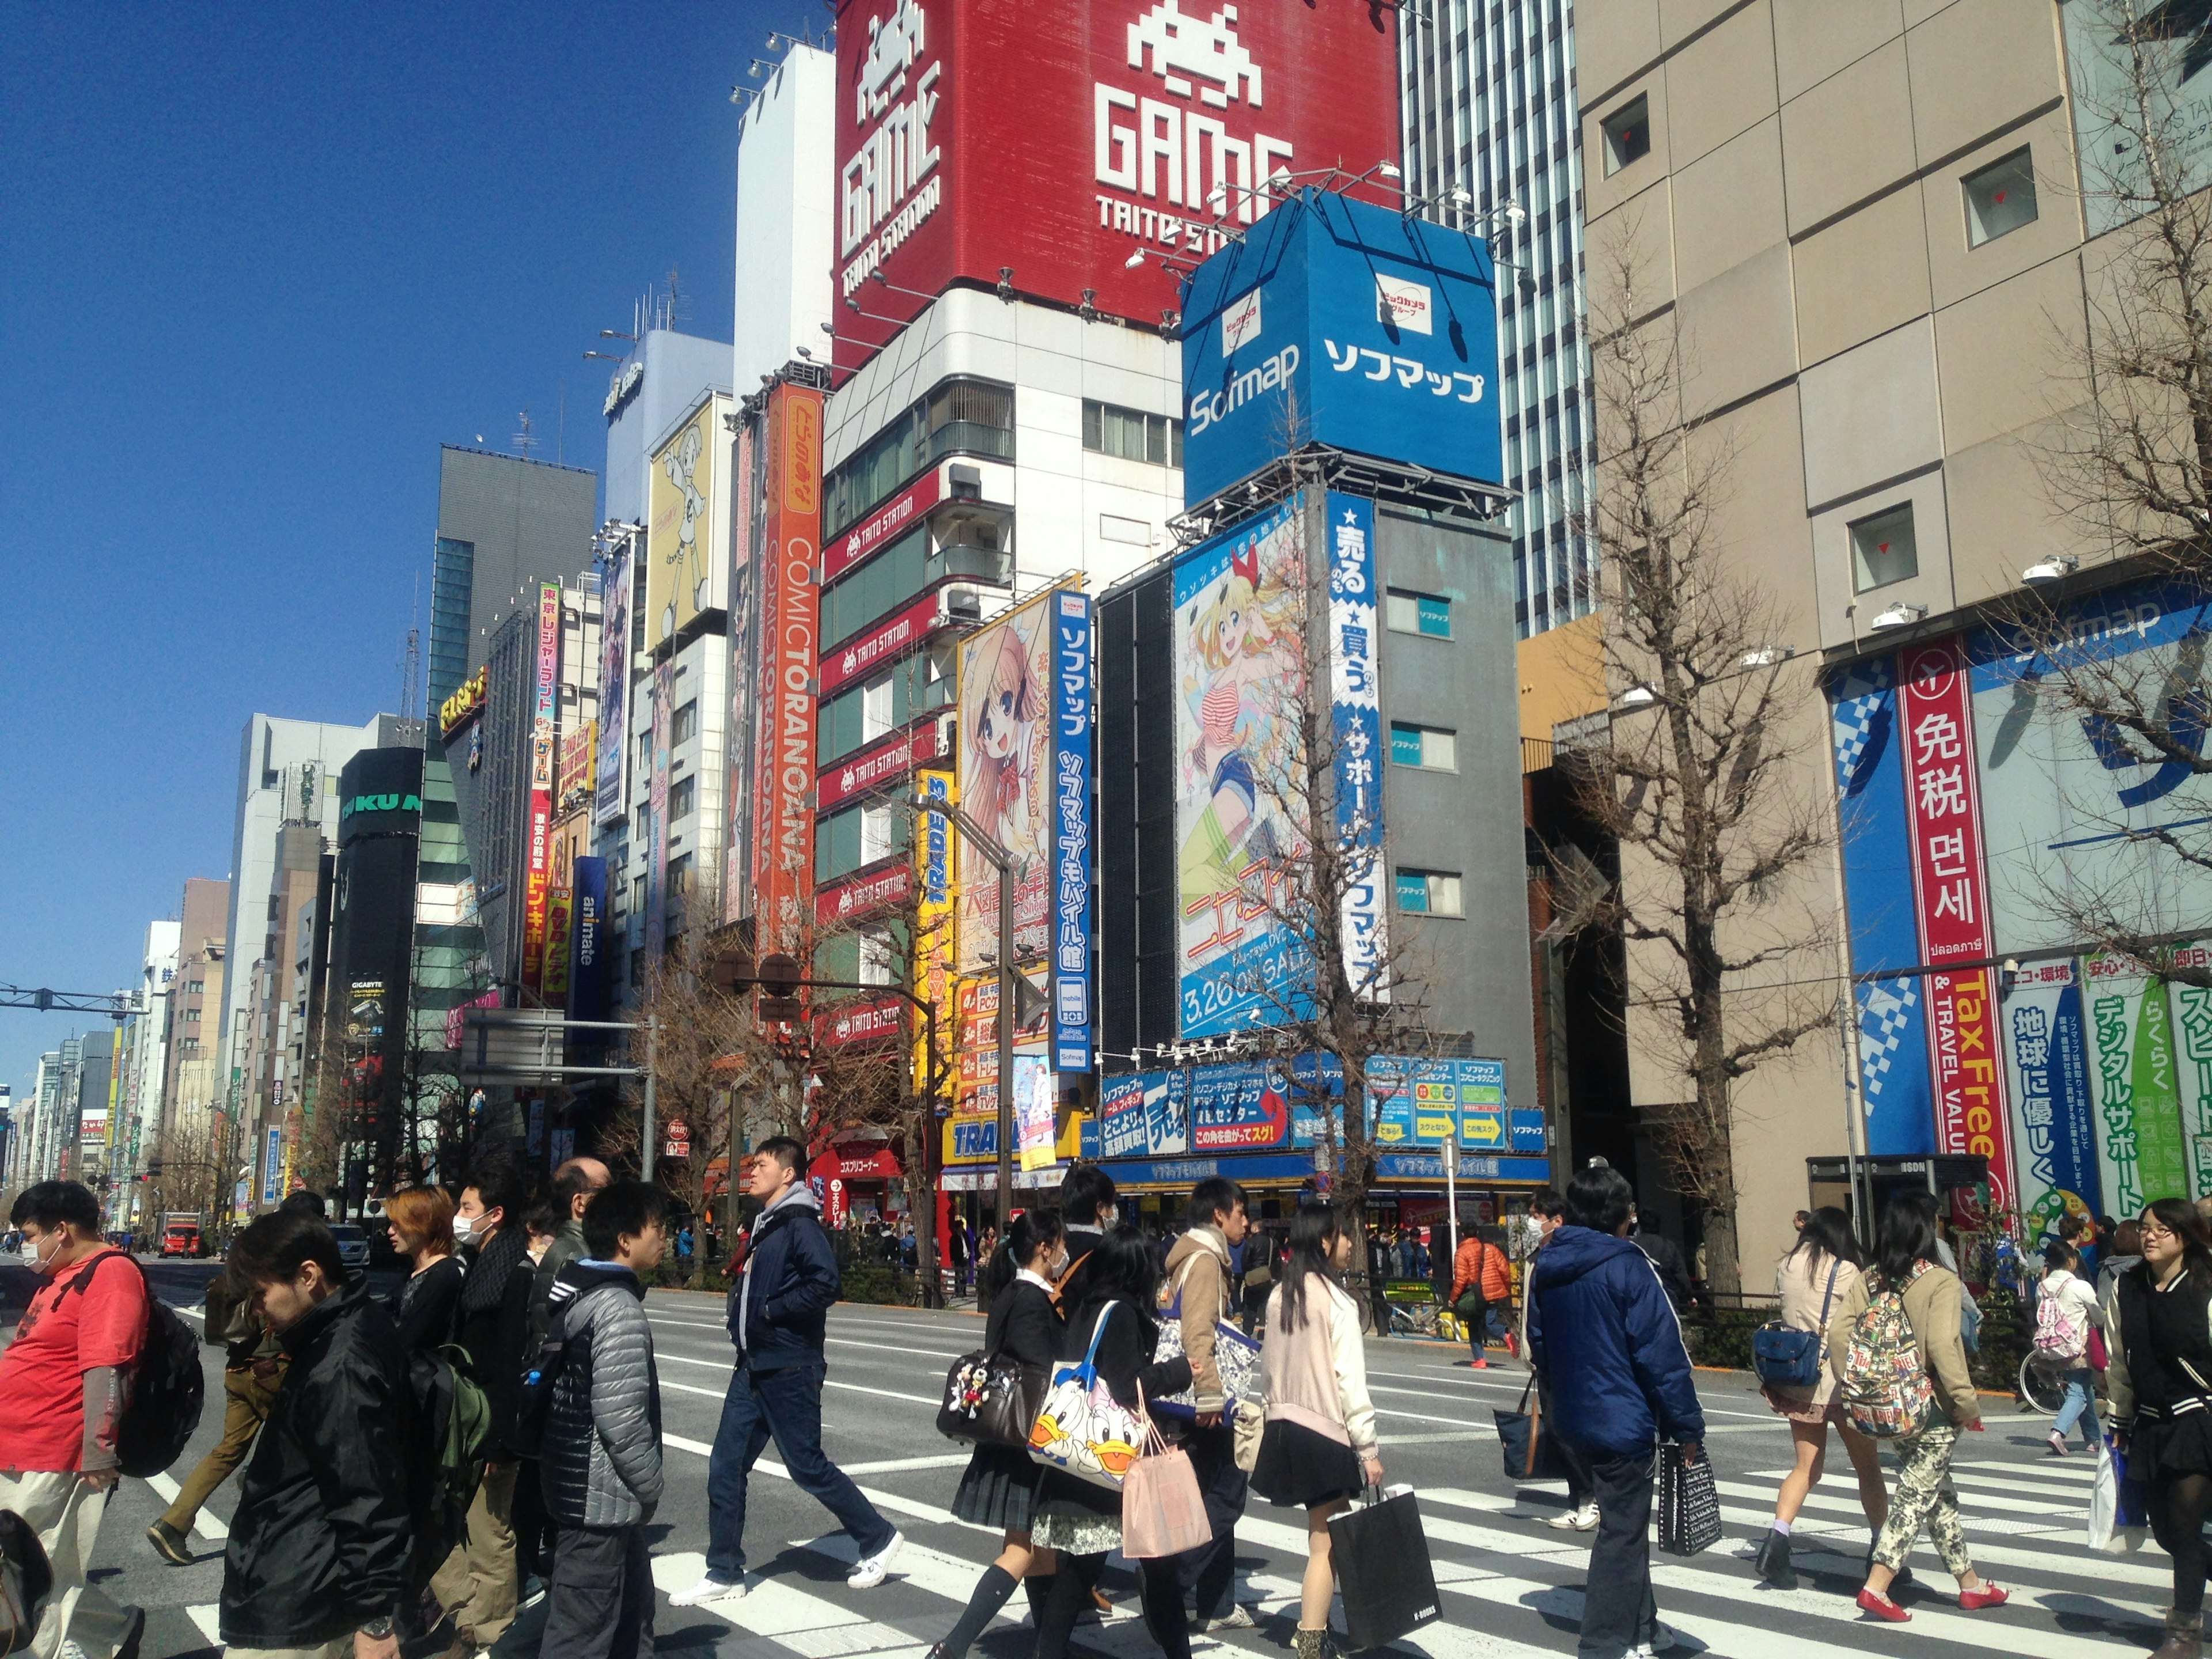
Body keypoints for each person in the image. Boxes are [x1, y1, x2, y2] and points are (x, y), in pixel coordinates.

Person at [673, 1136, 902, 1606]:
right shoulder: (767, 1223)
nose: (752, 1171)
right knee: (725, 1466)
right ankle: (724, 1572)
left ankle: (878, 1538)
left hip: (789, 1364)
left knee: (807, 1465)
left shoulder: (799, 1224)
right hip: (754, 1363)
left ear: (789, 1174)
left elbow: (825, 1283)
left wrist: (773, 1311)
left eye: (761, 1164)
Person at [1528, 1165, 1705, 1659]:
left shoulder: (1549, 1264)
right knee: (1622, 1532)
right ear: (1620, 1216)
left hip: (1572, 1415)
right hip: (1621, 1415)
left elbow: (1539, 1342)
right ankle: (1603, 1643)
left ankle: (1646, 1625)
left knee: (1624, 1525)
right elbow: (1661, 1354)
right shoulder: (1628, 1264)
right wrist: (1686, 1426)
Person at [219, 1207, 411, 1659]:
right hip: (308, 1578)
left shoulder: (340, 1363)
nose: (258, 1310)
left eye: (261, 1294)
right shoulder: (351, 1326)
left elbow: (367, 1493)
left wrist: (377, 1619)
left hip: (304, 1595)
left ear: (308, 1275)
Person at [1827, 1188, 2007, 1622]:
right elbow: (1944, 1345)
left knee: (1936, 1494)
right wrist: (1967, 1404)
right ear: (1927, 1231)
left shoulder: (1868, 1278)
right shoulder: (1941, 1281)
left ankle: (1970, 1585)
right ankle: (1878, 1584)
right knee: (1915, 1494)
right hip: (1933, 1409)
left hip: (1883, 1409)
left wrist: (1858, 1387)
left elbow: (1837, 1336)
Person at [0, 1181, 149, 1659]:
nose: (26, 1246)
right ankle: (113, 1634)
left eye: (29, 1234)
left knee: (35, 1572)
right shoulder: (66, 1274)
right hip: (19, 1443)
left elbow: (109, 1365)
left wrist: (99, 1448)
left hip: (55, 1449)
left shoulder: (111, 1273)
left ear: (60, 1230)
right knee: (32, 1569)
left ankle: (74, 1649)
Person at [1029, 1228, 1193, 1659]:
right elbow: (1126, 1386)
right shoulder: (1120, 1314)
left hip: (1085, 1459)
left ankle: (1046, 1652)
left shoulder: (1089, 1305)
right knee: (1157, 1565)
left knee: (1083, 1567)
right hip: (1115, 1459)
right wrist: (1179, 1371)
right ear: (1138, 1269)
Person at [146, 1190, 326, 1566]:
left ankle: (174, 1523)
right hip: (273, 1368)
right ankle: (271, 1515)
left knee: (228, 1449)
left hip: (238, 1367)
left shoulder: (248, 1249)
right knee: (310, 1446)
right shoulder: (296, 1258)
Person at [928, 1210, 1067, 1659]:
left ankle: (1051, 1649)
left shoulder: (1012, 1291)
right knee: (1022, 1550)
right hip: (1028, 1439)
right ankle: (955, 1645)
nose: (1064, 1253)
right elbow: (1038, 1369)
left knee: (1038, 1550)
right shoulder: (1031, 1299)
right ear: (1045, 1247)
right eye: (1060, 1245)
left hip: (1010, 1439)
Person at [539, 1182, 667, 1659]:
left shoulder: (579, 1293)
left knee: (629, 1618)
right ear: (626, 1239)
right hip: (599, 1501)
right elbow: (621, 1419)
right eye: (657, 1228)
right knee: (582, 1633)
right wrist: (651, 1484)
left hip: (583, 1489)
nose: (664, 1238)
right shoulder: (619, 1308)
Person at [1252, 1204, 1381, 1659]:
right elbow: (1350, 1383)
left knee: (1329, 1531)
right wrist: (1367, 1449)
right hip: (1324, 1432)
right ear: (1326, 1240)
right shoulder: (1338, 1303)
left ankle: (1320, 1624)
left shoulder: (1278, 1295)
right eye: (1345, 1237)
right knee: (1324, 1541)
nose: (1349, 1246)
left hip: (1283, 1427)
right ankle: (1310, 1638)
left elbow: (1268, 1370)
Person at [1751, 1206, 1889, 1590]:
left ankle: (1777, 1541)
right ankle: (1882, 1551)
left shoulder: (1788, 1265)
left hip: (1798, 1379)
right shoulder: (1846, 1270)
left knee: (1806, 1468)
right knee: (1868, 1469)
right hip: (1842, 1383)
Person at [432, 1157, 533, 1659]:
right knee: (447, 1521)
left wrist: (499, 1438)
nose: (458, 1215)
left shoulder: (515, 1273)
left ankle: (490, 1632)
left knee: (490, 1532)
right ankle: (468, 1617)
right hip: (465, 1420)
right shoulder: (478, 1266)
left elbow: (511, 1361)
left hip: (490, 1424)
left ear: (494, 1215)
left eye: (466, 1208)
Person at [2104, 1199, 2212, 1659]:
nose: (2150, 1236)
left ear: (2184, 1236)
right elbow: (2117, 1357)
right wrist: (2119, 1419)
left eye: (2162, 1229)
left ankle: (2183, 1634)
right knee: (2166, 1531)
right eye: (2146, 1228)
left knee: (2186, 1525)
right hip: (2149, 1421)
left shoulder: (2206, 1283)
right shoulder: (2127, 1286)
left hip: (2199, 1419)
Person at [1149, 1178, 1253, 1635]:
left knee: (1209, 1490)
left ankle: (1218, 1603)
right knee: (1225, 1496)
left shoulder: (1184, 1256)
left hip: (1185, 1399)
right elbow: (1197, 1333)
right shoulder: (1207, 1261)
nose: (1246, 1222)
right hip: (1204, 1399)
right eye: (1241, 1212)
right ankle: (1169, 1585)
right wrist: (1210, 1393)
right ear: (1219, 1214)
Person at [531, 1157, 612, 1344]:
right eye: (605, 1191)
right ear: (580, 1203)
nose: (615, 1199)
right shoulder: (574, 1257)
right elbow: (548, 1334)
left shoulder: (582, 1249)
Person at [2037, 1240, 2103, 1457]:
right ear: (2071, 1261)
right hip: (2078, 1347)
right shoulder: (2080, 1286)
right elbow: (2098, 1315)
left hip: (2053, 1347)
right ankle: (2058, 1432)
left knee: (2084, 1390)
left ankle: (2093, 1438)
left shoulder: (2042, 1287)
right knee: (2078, 1391)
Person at [385, 1185, 465, 1354]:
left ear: (424, 1224)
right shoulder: (416, 1270)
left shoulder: (445, 1275)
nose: (390, 1231)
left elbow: (411, 1339)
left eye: (398, 1224)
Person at [1450, 1225, 1510, 1368]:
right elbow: (1504, 1269)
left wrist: (1453, 1298)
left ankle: (1480, 1360)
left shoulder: (1461, 1253)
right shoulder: (1491, 1249)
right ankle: (1506, 1335)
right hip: (1493, 1292)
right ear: (1477, 1233)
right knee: (1490, 1323)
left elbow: (1461, 1279)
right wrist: (1505, 1288)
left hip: (1475, 1296)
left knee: (1474, 1325)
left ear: (1463, 1234)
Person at [1628, 1206, 1692, 1313]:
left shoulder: (1631, 1246)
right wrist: (1689, 1295)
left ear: (1639, 1226)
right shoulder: (1669, 1246)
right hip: (1667, 1298)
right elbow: (1681, 1276)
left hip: (1637, 1299)